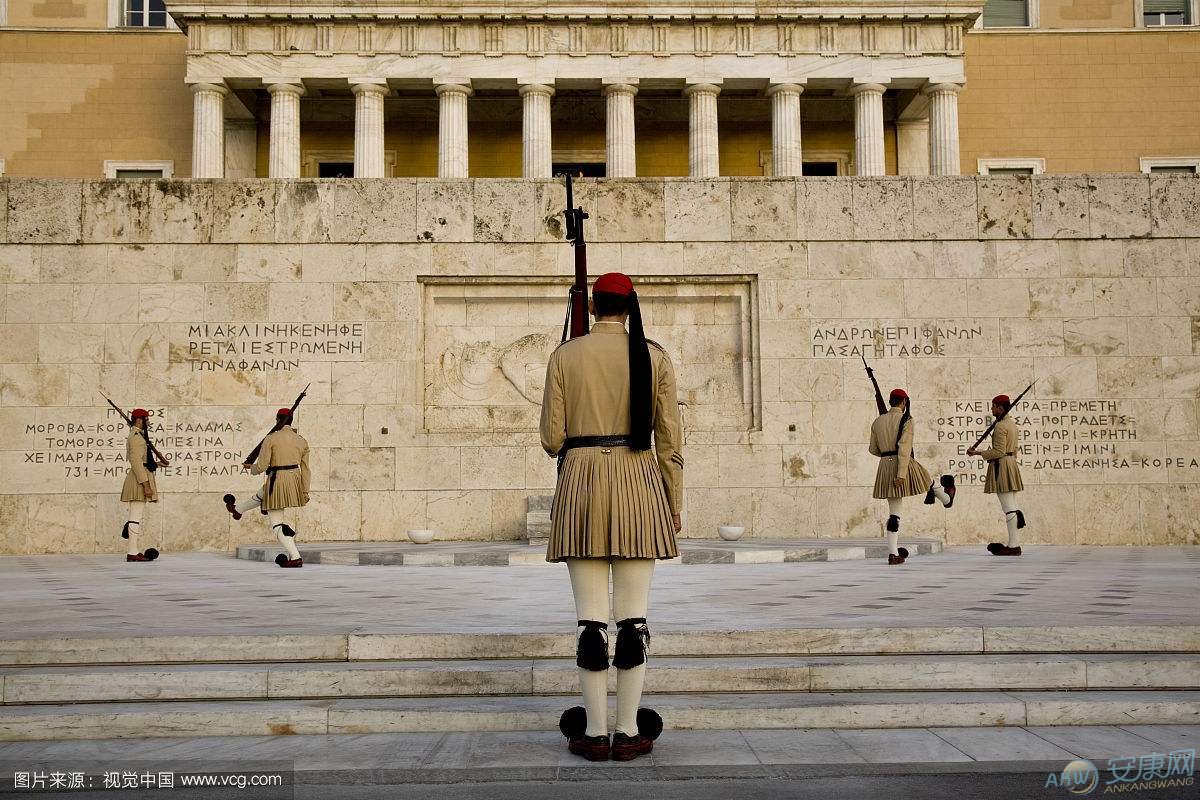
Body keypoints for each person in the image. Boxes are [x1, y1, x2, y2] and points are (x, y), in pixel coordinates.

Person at [541, 272, 682, 762]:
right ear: (630, 307)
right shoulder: (654, 356)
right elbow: (670, 442)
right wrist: (673, 504)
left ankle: (594, 730)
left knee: (590, 623)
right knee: (634, 620)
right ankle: (627, 730)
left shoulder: (565, 355)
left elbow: (552, 438)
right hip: (640, 483)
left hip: (580, 482)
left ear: (593, 305)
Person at [869, 388, 955, 565]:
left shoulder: (878, 421)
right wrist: (900, 473)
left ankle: (893, 553)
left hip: (885, 464)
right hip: (903, 463)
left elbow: (873, 449)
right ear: (903, 402)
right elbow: (905, 447)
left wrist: (887, 458)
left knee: (894, 513)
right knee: (927, 478)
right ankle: (947, 498)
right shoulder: (907, 419)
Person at [222, 409, 311, 568]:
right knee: (263, 493)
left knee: (277, 523)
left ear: (278, 420)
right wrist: (305, 491)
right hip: (294, 481)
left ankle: (296, 557)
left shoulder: (271, 438)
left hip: (277, 480)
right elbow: (306, 469)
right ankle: (238, 510)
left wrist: (250, 467)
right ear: (291, 421)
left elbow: (262, 466)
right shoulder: (301, 440)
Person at [967, 394, 1026, 556]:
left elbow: (998, 451)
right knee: (1012, 506)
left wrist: (976, 452)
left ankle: (1013, 545)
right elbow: (1013, 450)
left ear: (1000, 408)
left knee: (1009, 508)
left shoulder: (1000, 426)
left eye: (993, 406)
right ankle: (1014, 544)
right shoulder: (1011, 424)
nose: (991, 409)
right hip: (1010, 463)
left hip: (1002, 466)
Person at [119, 408, 162, 562]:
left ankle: (133, 550)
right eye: (146, 419)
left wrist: (156, 463)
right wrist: (146, 485)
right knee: (135, 517)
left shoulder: (138, 435)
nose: (148, 422)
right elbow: (136, 462)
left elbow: (142, 460)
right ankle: (132, 552)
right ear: (139, 420)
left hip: (142, 476)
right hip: (139, 479)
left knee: (135, 516)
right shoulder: (136, 437)